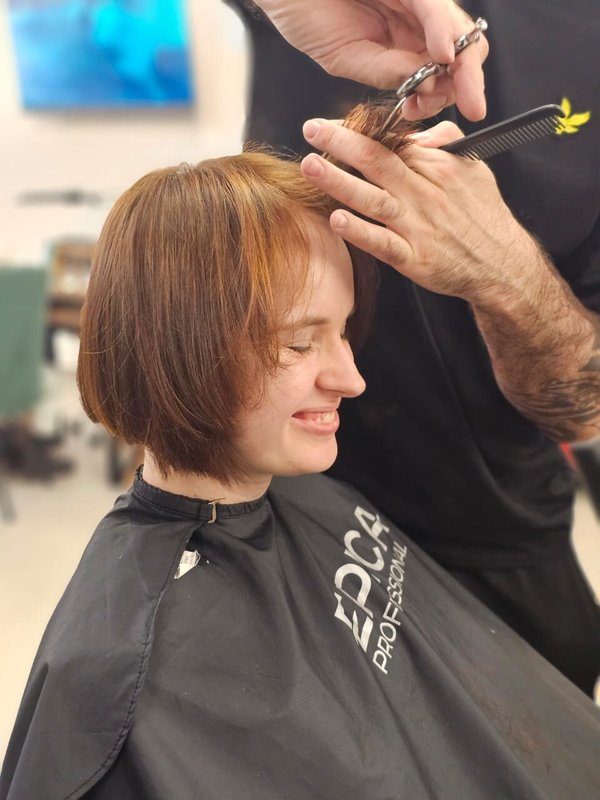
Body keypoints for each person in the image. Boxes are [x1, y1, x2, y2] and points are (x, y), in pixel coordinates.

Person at [2, 135, 600, 800]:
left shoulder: (318, 498)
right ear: (175, 347)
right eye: (297, 343)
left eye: (342, 331)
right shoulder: (113, 681)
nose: (352, 379)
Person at [232, 0, 600, 696]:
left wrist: (508, 276)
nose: (347, 378)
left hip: (495, 536)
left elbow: (585, 407)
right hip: (277, 510)